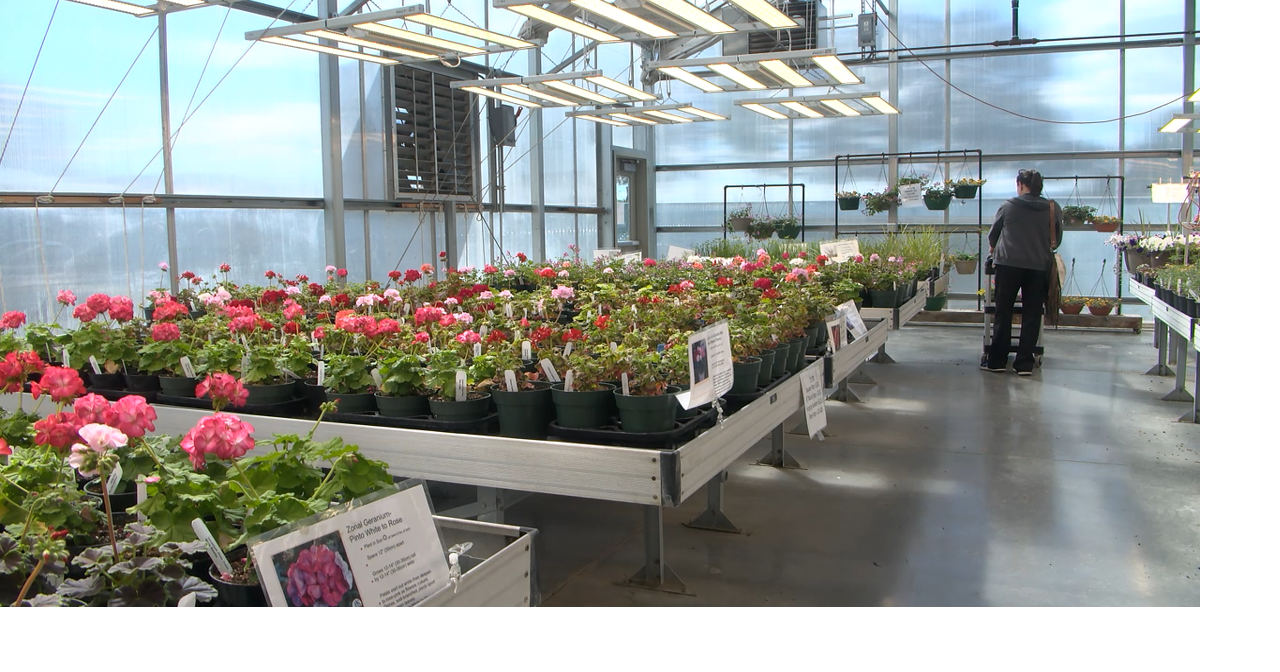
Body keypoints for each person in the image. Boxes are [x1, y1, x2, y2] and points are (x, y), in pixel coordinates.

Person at [983, 169, 1064, 376]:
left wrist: (994, 248)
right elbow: (1057, 239)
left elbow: (993, 236)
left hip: (1008, 265)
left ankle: (997, 361)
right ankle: (1024, 363)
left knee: (1003, 311)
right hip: (1038, 266)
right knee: (1032, 313)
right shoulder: (1052, 208)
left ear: (1020, 185)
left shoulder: (1008, 206)